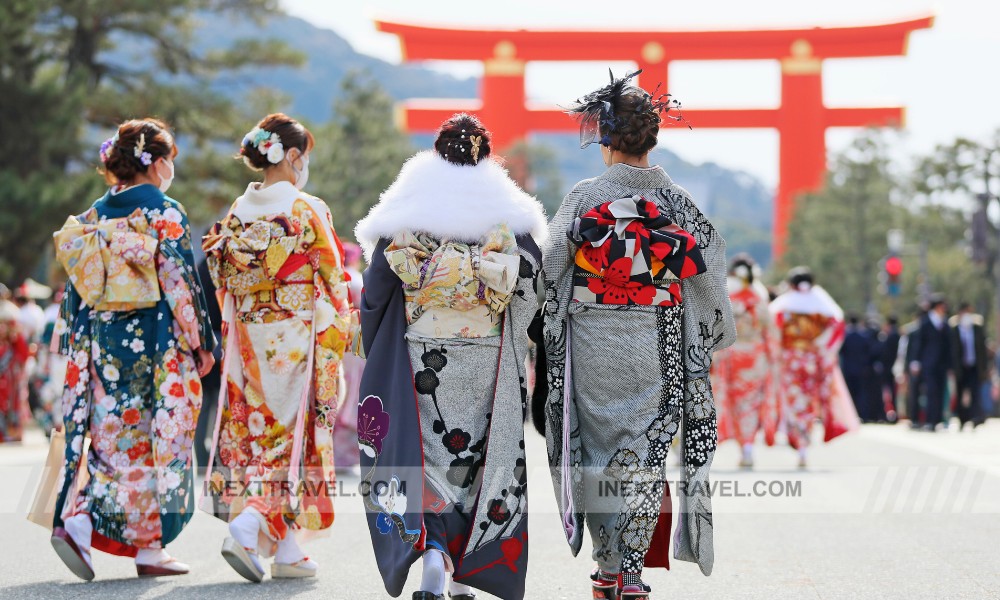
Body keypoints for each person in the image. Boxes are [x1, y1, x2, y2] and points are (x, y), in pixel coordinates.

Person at [539, 71, 735, 600]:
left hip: (593, 339)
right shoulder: (677, 200)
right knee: (647, 453)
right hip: (660, 337)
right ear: (652, 137)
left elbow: (551, 265)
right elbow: (708, 267)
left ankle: (606, 566)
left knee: (599, 452)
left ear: (605, 139)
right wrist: (709, 331)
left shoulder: (584, 197)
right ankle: (630, 574)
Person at [355, 113, 546, 600]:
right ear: (485, 154)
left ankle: (437, 557)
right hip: (486, 353)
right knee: (475, 455)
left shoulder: (409, 208)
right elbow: (529, 286)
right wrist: (519, 331)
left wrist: (377, 343)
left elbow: (377, 289)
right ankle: (462, 567)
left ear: (438, 151)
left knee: (430, 453)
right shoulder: (506, 212)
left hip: (423, 353)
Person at [50, 118, 216, 580]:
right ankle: (101, 528)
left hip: (103, 341)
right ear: (159, 163)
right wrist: (201, 340)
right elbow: (180, 282)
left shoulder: (93, 216)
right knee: (162, 438)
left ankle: (119, 534)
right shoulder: (163, 212)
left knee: (115, 437)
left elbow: (80, 286)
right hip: (156, 339)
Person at [200, 113, 354, 582]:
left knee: (260, 432)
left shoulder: (235, 213)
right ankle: (249, 524)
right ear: (291, 156)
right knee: (292, 433)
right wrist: (339, 330)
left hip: (248, 338)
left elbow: (223, 281)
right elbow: (333, 278)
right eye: (303, 155)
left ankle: (286, 548)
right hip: (295, 337)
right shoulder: (306, 208)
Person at [770, 267, 858, 468]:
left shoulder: (784, 307)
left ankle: (798, 440)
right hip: (812, 362)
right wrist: (823, 350)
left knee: (793, 402)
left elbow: (772, 332)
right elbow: (837, 329)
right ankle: (804, 444)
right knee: (809, 403)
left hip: (790, 360)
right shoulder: (823, 305)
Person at [713, 254, 776, 468]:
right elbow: (769, 329)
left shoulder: (728, 295)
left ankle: (742, 445)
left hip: (731, 355)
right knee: (750, 403)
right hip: (756, 357)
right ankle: (747, 446)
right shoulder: (759, 298)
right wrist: (773, 359)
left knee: (732, 402)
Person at [333, 241, 364, 474]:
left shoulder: (336, 276)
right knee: (354, 396)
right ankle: (346, 456)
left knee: (341, 393)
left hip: (337, 340)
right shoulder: (355, 278)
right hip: (356, 341)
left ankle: (337, 455)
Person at [908, 296, 952, 431]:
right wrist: (915, 361)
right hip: (928, 363)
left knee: (940, 391)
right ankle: (930, 420)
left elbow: (949, 346)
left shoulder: (944, 324)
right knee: (931, 392)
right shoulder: (926, 322)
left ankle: (937, 419)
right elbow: (919, 344)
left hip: (941, 364)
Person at [949, 303, 987, 430]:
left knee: (975, 392)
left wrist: (984, 368)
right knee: (960, 393)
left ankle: (976, 417)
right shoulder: (954, 329)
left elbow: (982, 350)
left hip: (974, 366)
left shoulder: (977, 328)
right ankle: (962, 418)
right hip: (960, 367)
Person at [0, 286, 28, 443]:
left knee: (11, 397)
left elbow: (20, 345)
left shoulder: (11, 314)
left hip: (8, 362)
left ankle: (11, 430)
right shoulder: (11, 313)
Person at [841, 315, 876, 422]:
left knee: (849, 393)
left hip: (848, 368)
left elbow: (842, 351)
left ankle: (849, 415)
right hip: (862, 369)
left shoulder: (846, 336)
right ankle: (863, 415)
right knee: (862, 393)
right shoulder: (864, 337)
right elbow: (870, 353)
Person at [874, 316, 901, 422]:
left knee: (890, 392)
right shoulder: (898, 334)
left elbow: (885, 352)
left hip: (889, 368)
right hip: (894, 367)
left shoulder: (890, 335)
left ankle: (890, 414)